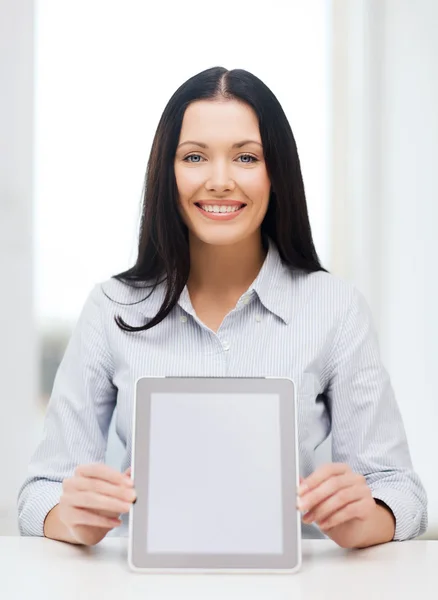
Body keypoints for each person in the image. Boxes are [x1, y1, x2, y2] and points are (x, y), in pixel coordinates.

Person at [18, 66, 427, 548]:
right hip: (142, 583)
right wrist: (68, 517)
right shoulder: (111, 308)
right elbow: (38, 495)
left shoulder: (335, 309)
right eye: (194, 156)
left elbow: (402, 493)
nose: (219, 181)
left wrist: (368, 518)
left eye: (246, 158)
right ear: (167, 174)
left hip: (292, 583)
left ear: (277, 174)